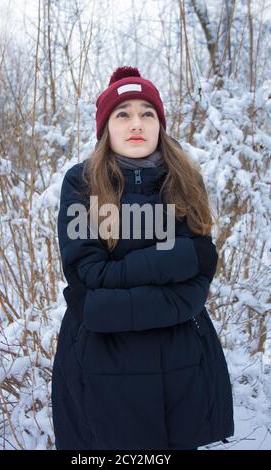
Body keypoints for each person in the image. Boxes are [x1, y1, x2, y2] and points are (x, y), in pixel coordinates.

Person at [51, 66, 234, 450]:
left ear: (159, 125)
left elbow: (192, 291)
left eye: (147, 113)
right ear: (106, 128)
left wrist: (110, 288)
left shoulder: (185, 181)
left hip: (181, 372)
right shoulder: (81, 184)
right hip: (100, 370)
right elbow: (88, 278)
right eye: (123, 114)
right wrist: (181, 257)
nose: (137, 123)